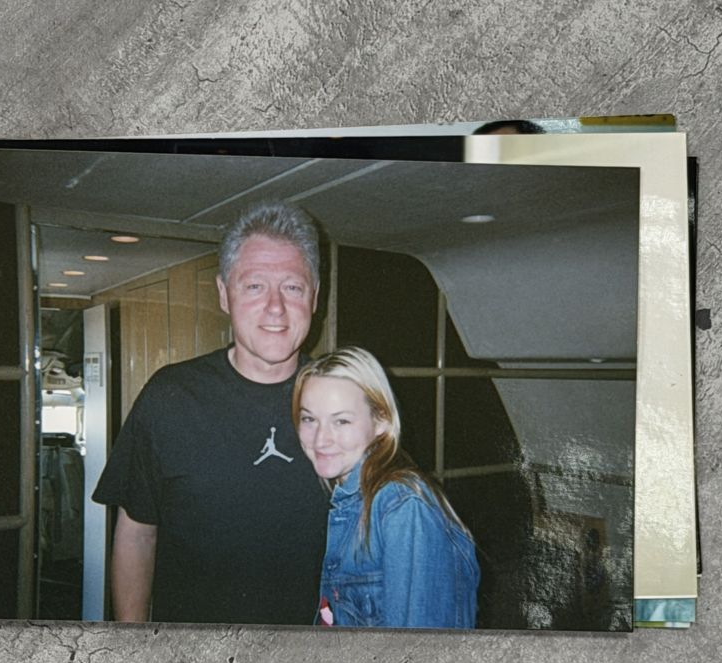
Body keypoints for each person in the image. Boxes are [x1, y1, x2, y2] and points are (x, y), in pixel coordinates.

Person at [92, 200, 330, 624]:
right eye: (254, 286)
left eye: (293, 287)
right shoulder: (170, 396)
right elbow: (136, 534)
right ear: (224, 294)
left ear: (314, 296)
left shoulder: (345, 402)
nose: (276, 308)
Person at [292, 347, 480, 629]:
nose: (321, 439)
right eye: (309, 419)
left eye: (341, 420)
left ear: (381, 421)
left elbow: (417, 657)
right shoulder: (345, 495)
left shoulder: (402, 507)